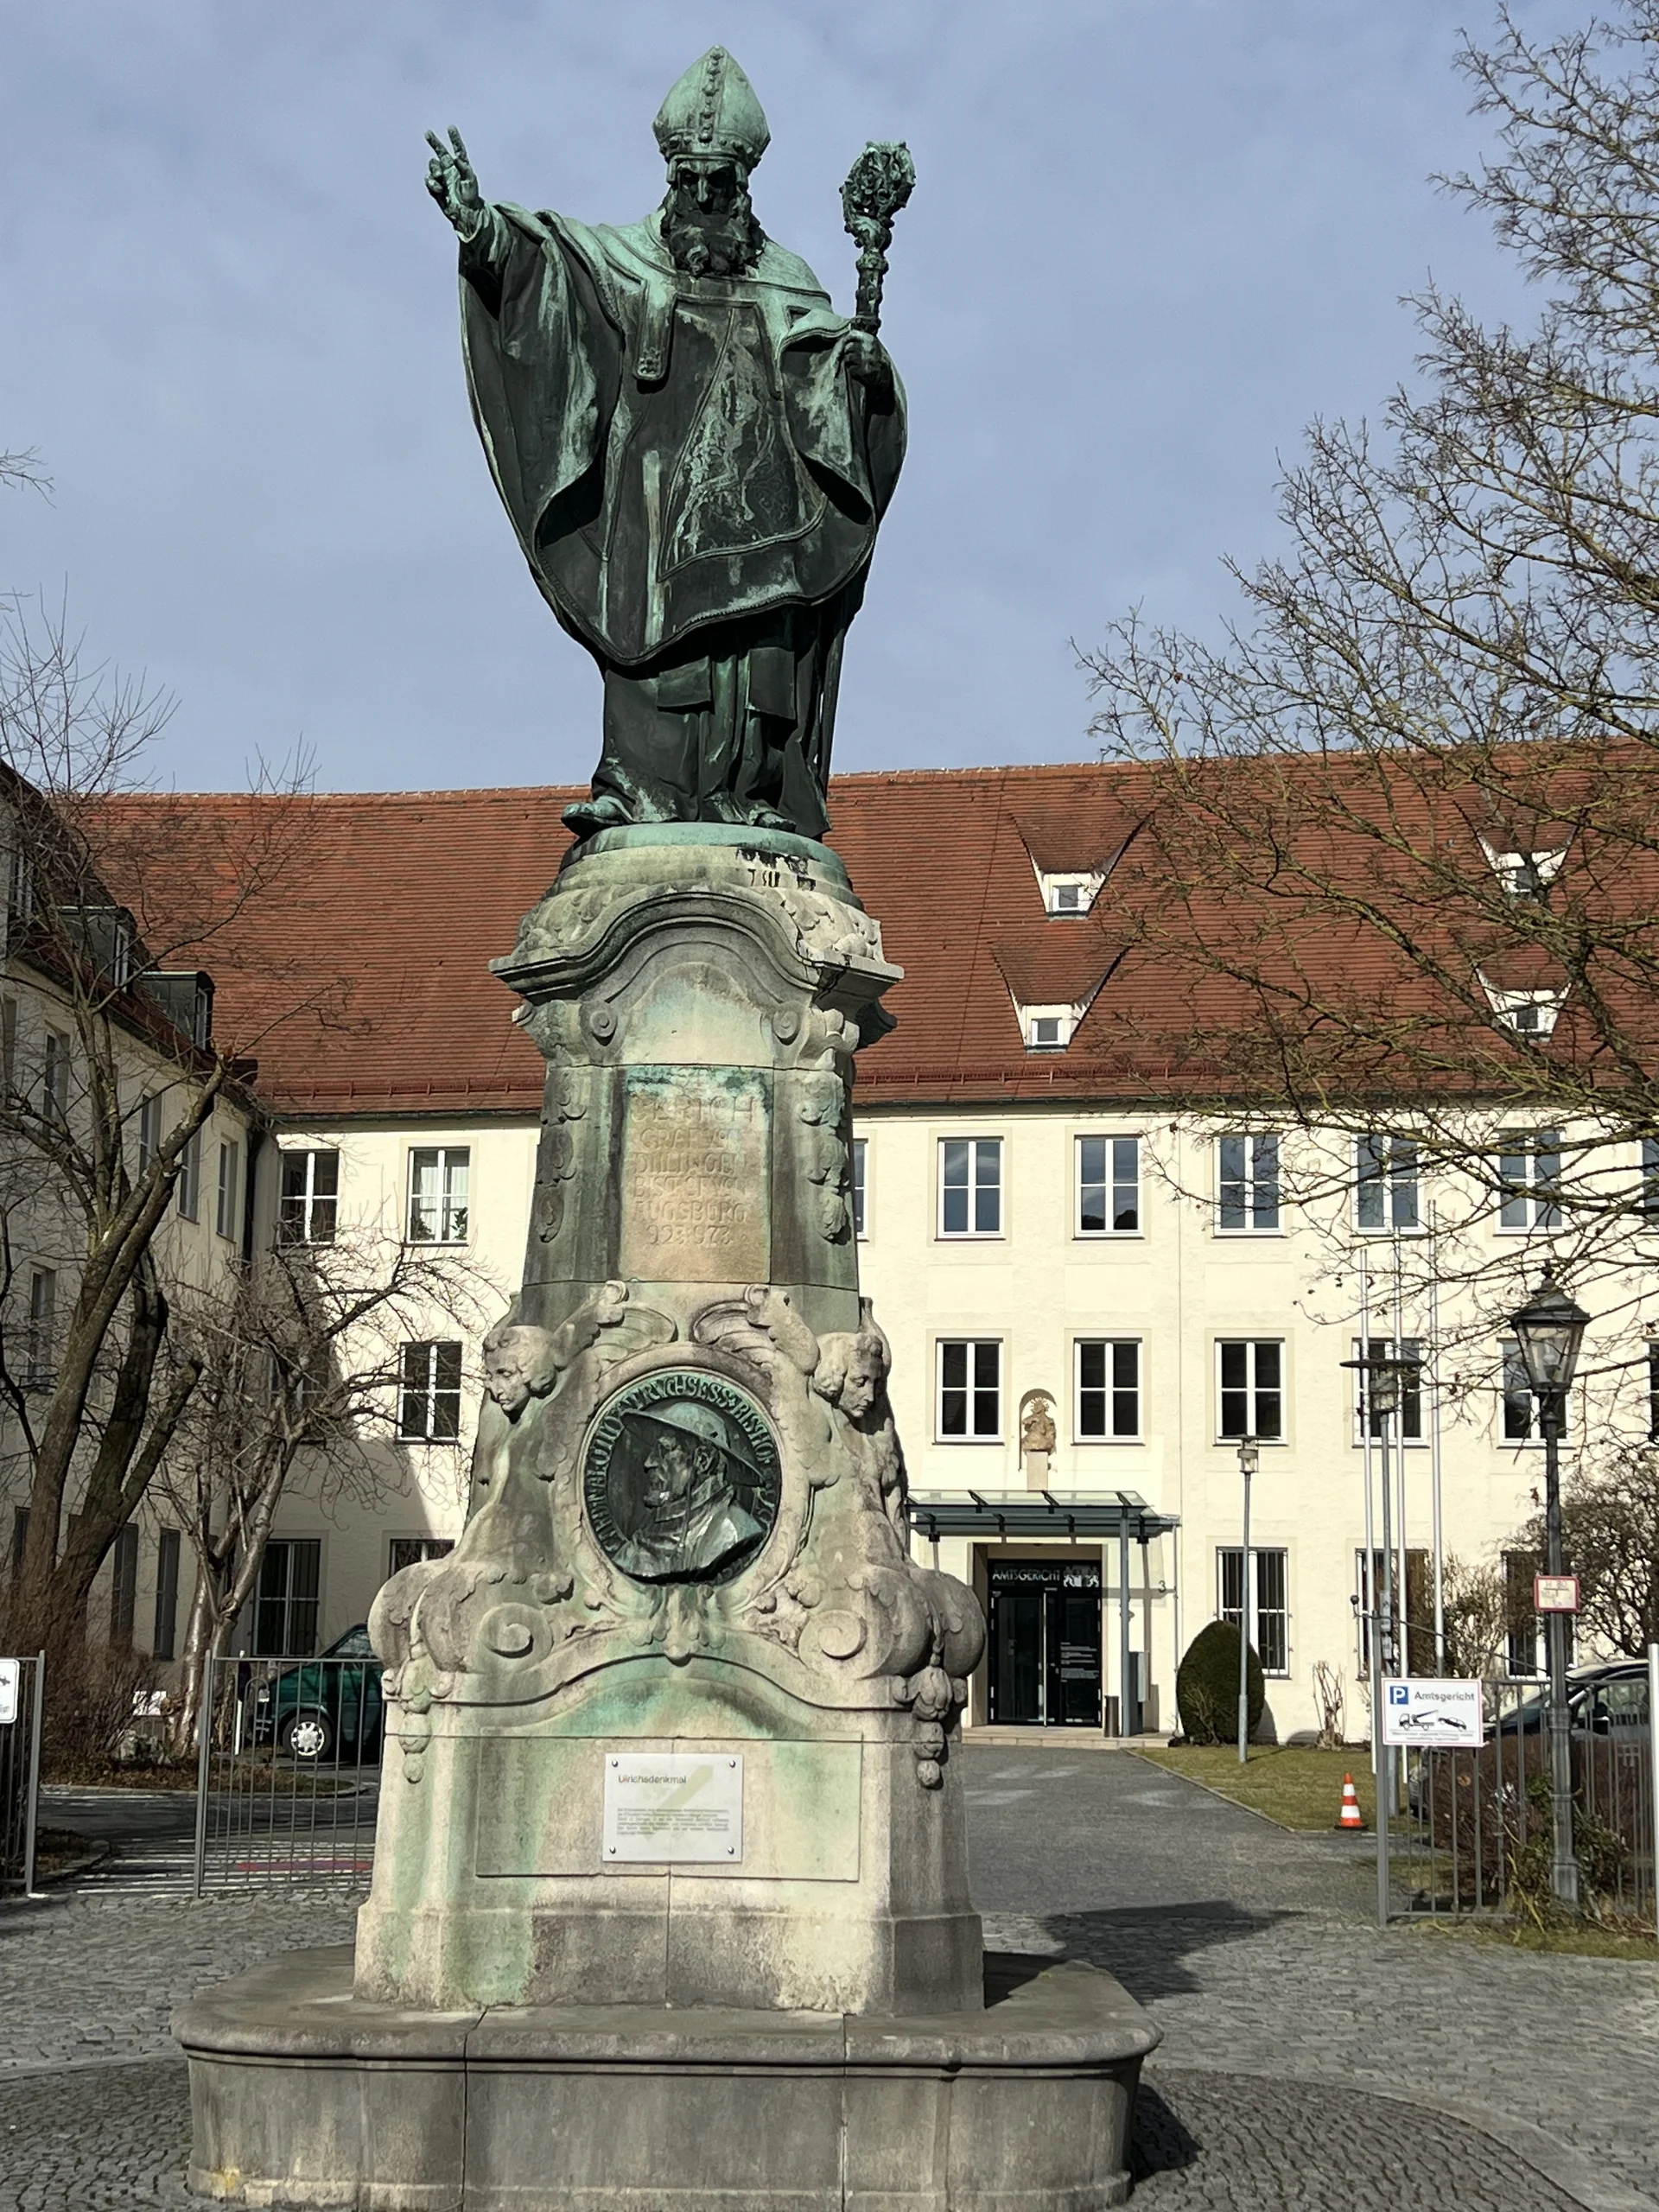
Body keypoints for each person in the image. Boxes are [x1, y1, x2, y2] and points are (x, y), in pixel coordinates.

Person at [424, 46, 906, 842]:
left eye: (723, 182)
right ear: (672, 179)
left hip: (763, 505)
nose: (708, 196)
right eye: (693, 181)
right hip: (652, 497)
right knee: (647, 641)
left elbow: (842, 396)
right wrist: (484, 234)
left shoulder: (789, 278)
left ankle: (754, 791)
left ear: (746, 186)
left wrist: (868, 376)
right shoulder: (627, 259)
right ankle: (636, 788)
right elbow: (553, 269)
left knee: (753, 656)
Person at [611, 1401, 766, 1580]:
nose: (649, 1463)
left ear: (703, 1460)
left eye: (664, 1450)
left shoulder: (734, 1532)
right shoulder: (637, 1549)